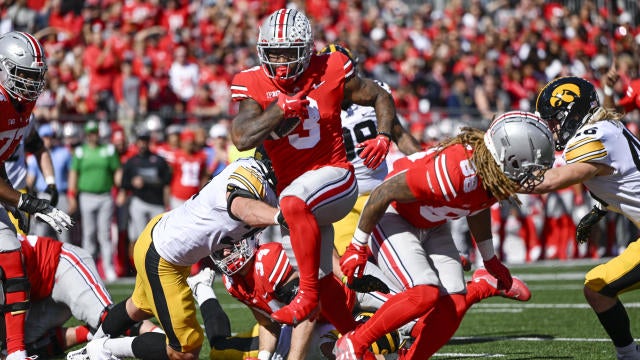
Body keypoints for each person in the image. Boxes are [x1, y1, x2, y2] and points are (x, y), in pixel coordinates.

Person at [334, 111, 554, 359]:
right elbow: (383, 192)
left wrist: (490, 260)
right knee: (423, 292)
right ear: (509, 156)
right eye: (530, 167)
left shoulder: (492, 169)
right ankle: (355, 342)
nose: (534, 175)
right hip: (394, 217)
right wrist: (358, 246)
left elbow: (478, 206)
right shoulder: (453, 171)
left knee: (455, 304)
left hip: (433, 223)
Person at [230, 8, 398, 325]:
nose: (280, 62)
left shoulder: (331, 68)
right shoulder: (251, 82)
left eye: (287, 53)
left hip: (336, 177)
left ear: (306, 50)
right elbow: (241, 137)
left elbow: (379, 94)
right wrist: (279, 110)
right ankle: (354, 340)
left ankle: (306, 299)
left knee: (292, 202)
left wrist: (384, 136)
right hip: (300, 197)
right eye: (273, 53)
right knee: (323, 282)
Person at [67, 155, 282, 360]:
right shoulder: (255, 176)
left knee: (138, 306)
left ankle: (93, 344)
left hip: (160, 236)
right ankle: (102, 348)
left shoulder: (257, 175)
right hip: (164, 256)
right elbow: (240, 206)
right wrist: (281, 217)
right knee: (185, 350)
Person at [532, 76, 640, 360]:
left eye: (555, 120)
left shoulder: (593, 136)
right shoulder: (608, 128)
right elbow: (622, 180)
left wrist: (501, 179)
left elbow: (552, 181)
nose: (552, 128)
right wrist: (597, 213)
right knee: (597, 287)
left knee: (598, 287)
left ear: (574, 112)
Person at [0, 31, 73, 360]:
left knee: (12, 256)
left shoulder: (22, 105)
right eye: (24, 75)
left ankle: (15, 352)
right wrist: (23, 200)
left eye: (34, 77)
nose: (30, 84)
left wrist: (13, 199)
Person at [1, 234, 159, 359]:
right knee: (28, 346)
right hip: (36, 296)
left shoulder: (6, 246)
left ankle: (163, 338)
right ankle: (89, 333)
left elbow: (15, 292)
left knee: (107, 318)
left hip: (59, 266)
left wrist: (16, 349)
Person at [67, 120, 121, 283]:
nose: (92, 136)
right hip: (86, 195)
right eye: (90, 133)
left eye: (95, 133)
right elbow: (74, 173)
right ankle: (88, 267)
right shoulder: (80, 152)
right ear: (86, 135)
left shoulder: (108, 150)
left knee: (104, 234)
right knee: (88, 233)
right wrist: (71, 195)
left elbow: (117, 170)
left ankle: (108, 267)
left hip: (105, 195)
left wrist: (120, 189)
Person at [118, 127, 171, 271]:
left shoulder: (158, 160)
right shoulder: (131, 162)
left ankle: (159, 266)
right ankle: (140, 268)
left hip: (156, 202)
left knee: (158, 237)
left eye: (145, 141)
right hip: (139, 201)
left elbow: (166, 181)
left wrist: (167, 202)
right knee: (140, 236)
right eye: (140, 141)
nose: (142, 144)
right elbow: (124, 183)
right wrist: (131, 184)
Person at [26, 123, 73, 243]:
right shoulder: (34, 157)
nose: (48, 139)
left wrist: (72, 196)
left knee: (64, 233)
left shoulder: (64, 153)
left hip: (61, 195)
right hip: (43, 196)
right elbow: (30, 180)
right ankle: (40, 261)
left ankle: (64, 261)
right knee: (40, 234)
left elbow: (72, 174)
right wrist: (28, 201)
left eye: (50, 136)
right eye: (45, 137)